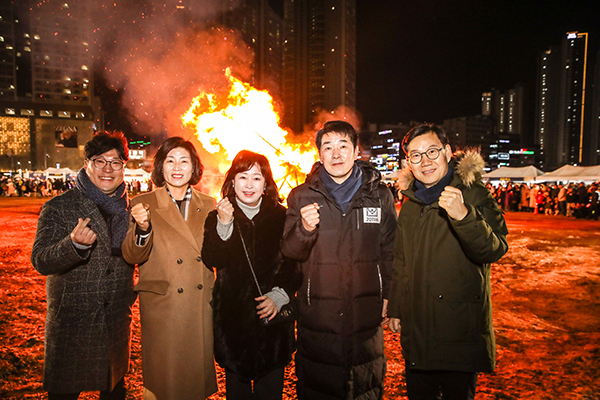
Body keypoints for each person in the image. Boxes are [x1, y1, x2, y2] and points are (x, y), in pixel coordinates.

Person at [388, 124, 509, 400]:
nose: (425, 161)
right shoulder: (410, 203)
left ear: (447, 152)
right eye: (416, 155)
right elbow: (401, 261)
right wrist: (396, 308)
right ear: (409, 162)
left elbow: (493, 249)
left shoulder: (473, 193)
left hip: (458, 327)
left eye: (432, 151)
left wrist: (464, 215)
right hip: (418, 326)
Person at [281, 120, 397, 399]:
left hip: (365, 315)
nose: (336, 154)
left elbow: (391, 250)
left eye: (343, 146)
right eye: (328, 147)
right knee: (319, 388)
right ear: (319, 155)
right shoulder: (301, 196)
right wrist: (304, 230)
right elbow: (290, 252)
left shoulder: (379, 195)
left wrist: (391, 295)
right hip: (318, 315)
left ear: (357, 151)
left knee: (364, 387)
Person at [31, 132, 136, 400]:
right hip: (73, 323)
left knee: (113, 391)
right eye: (99, 161)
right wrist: (73, 245)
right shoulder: (59, 207)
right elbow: (41, 260)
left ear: (124, 166)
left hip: (114, 321)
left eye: (115, 162)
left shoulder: (133, 209)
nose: (107, 169)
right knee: (64, 393)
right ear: (86, 163)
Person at [121, 137, 218, 400]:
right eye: (170, 160)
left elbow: (217, 253)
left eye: (184, 160)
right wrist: (142, 229)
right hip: (164, 307)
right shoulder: (144, 202)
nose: (177, 166)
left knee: (193, 385)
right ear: (161, 167)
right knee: (164, 384)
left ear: (194, 167)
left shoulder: (210, 204)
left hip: (198, 304)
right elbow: (132, 255)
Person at [201, 150, 301, 400]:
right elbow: (212, 259)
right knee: (237, 392)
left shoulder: (282, 216)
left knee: (271, 392)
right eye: (242, 176)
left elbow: (294, 262)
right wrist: (224, 224)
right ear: (232, 180)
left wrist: (279, 295)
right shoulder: (217, 216)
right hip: (233, 323)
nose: (249, 184)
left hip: (273, 324)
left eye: (256, 178)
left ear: (266, 183)